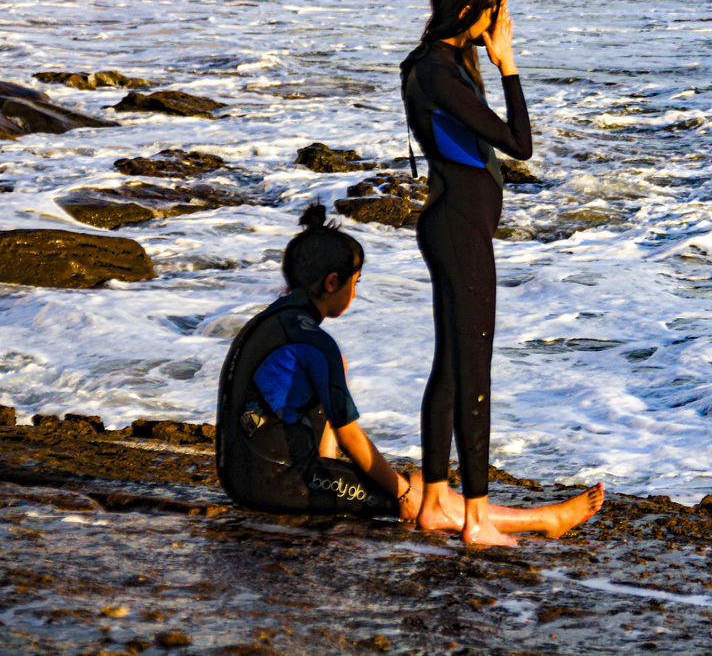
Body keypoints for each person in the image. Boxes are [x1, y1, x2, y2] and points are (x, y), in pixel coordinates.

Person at [214, 204, 603, 538]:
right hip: (275, 484)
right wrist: (401, 494)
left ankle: (330, 478)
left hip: (240, 475)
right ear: (333, 282)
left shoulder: (267, 323)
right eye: (355, 282)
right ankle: (543, 520)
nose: (354, 292)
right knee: (420, 492)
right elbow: (350, 436)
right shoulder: (316, 345)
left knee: (337, 395)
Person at [400, 0, 542, 546]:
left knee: (452, 371)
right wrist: (508, 68)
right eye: (492, 12)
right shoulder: (438, 73)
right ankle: (477, 515)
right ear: (467, 9)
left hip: (454, 226)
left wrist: (481, 52)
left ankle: (436, 500)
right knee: (473, 374)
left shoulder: (436, 63)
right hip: (458, 230)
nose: (498, 23)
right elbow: (518, 144)